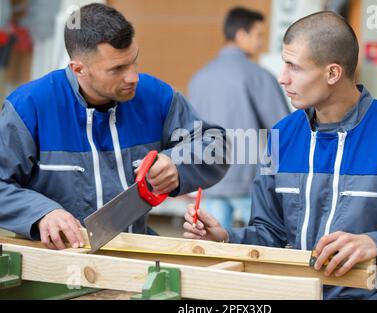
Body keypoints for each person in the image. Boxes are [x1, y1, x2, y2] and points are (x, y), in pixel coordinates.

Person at [183, 11, 377, 299]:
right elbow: (269, 234)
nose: (282, 79)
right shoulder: (281, 136)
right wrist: (226, 238)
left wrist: (376, 244)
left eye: (294, 67)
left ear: (333, 73)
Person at [0, 3, 229, 250]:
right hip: (54, 265)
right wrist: (41, 213)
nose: (133, 77)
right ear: (79, 69)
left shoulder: (156, 97)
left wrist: (177, 163)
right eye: (117, 69)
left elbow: (216, 145)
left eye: (134, 61)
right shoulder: (29, 107)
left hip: (131, 256)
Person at [188, 7, 290, 229]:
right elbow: (283, 128)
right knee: (260, 243)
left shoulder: (199, 78)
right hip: (249, 181)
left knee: (214, 245)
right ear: (241, 34)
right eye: (258, 35)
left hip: (210, 178)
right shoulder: (258, 76)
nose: (260, 43)